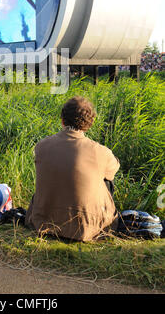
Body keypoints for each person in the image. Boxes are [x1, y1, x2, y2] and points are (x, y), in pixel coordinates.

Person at [25, 96, 120, 242]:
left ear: (62, 119)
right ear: (90, 123)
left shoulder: (42, 146)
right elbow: (113, 170)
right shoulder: (101, 152)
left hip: (43, 222)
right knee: (106, 180)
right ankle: (97, 219)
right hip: (86, 228)